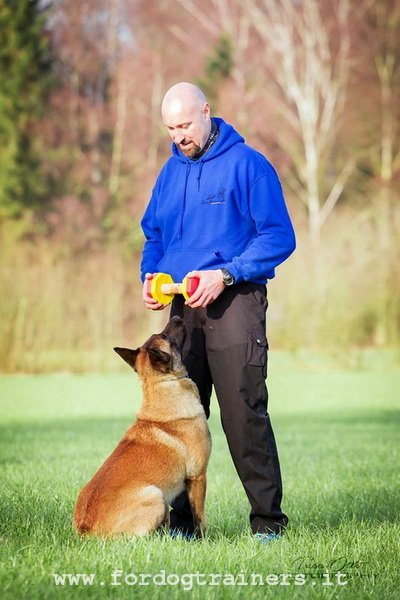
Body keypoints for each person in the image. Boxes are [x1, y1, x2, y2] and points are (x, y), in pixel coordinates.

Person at [140, 82, 296, 541]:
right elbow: (154, 237)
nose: (178, 137)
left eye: (185, 125)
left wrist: (226, 274)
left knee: (242, 415)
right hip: (182, 308)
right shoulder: (169, 173)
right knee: (183, 415)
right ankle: (184, 526)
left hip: (235, 304)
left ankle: (267, 524)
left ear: (206, 112)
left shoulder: (249, 166)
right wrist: (150, 277)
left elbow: (278, 237)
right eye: (170, 129)